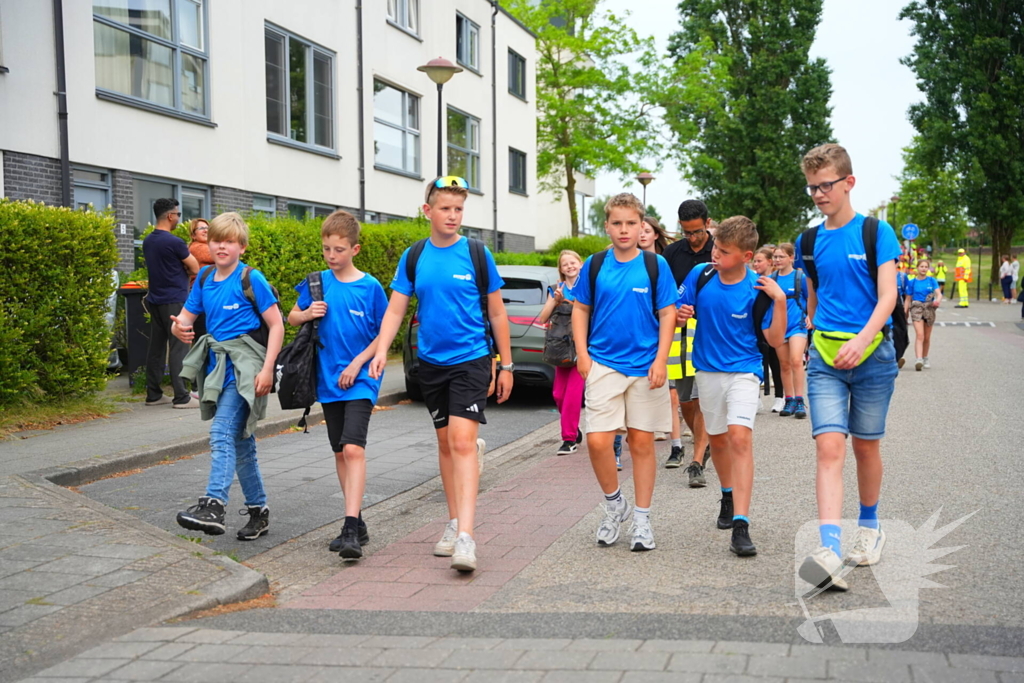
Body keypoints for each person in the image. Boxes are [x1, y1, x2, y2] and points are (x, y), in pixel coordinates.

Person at [369, 176, 513, 573]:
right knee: (447, 445)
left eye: (458, 209)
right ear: (427, 211)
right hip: (431, 363)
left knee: (462, 443)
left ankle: (466, 536)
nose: (453, 215)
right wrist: (381, 351)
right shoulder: (414, 256)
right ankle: (453, 521)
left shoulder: (477, 254)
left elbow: (497, 311)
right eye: (445, 208)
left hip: (472, 359)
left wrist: (506, 364)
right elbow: (396, 308)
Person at [795, 144, 900, 592]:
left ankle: (870, 527)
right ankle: (828, 549)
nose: (819, 194)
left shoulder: (876, 232)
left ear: (848, 182)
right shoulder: (808, 241)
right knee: (829, 447)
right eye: (812, 187)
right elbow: (816, 291)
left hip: (873, 355)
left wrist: (861, 339)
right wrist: (813, 330)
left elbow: (888, 295)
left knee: (866, 448)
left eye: (826, 185)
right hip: (825, 360)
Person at [572, 193, 677, 552]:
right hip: (602, 362)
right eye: (617, 223)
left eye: (631, 223)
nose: (624, 229)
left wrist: (661, 360)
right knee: (597, 441)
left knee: (642, 443)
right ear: (607, 226)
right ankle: (615, 503)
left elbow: (668, 313)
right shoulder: (595, 264)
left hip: (646, 366)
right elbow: (580, 309)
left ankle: (642, 520)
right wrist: (582, 355)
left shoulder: (655, 265)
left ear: (641, 225)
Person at [677, 216, 787, 557]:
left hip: (745, 370)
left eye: (724, 252)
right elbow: (675, 308)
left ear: (746, 256)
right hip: (707, 370)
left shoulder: (759, 288)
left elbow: (775, 340)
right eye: (716, 247)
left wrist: (780, 302)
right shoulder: (701, 276)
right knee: (719, 439)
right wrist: (679, 313)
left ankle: (741, 524)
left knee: (740, 437)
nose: (715, 255)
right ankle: (727, 494)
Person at [170, 212, 284, 540]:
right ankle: (258, 512)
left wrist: (267, 370)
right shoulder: (205, 277)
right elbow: (185, 319)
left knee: (221, 432)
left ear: (241, 247)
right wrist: (178, 329)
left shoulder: (251, 278)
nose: (222, 246)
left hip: (246, 368)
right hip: (216, 369)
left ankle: (214, 504)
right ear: (209, 243)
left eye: (229, 242)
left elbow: (277, 325)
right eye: (217, 240)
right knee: (241, 443)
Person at [287, 210, 388, 559]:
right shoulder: (317, 282)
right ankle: (357, 521)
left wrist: (358, 363)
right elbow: (292, 316)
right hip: (328, 378)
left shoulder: (370, 287)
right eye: (326, 249)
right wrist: (306, 314)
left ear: (355, 249)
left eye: (339, 250)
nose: (331, 256)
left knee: (353, 448)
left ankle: (349, 529)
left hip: (361, 378)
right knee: (339, 452)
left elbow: (384, 333)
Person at [662, 200, 714, 487]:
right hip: (679, 336)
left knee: (702, 396)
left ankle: (697, 460)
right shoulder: (671, 254)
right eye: (687, 232)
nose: (692, 238)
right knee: (686, 400)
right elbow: (663, 294)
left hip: (710, 334)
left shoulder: (719, 250)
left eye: (697, 232)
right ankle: (702, 442)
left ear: (708, 223)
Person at [142, 198, 199, 409]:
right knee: (179, 347)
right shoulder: (175, 242)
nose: (178, 219)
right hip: (175, 300)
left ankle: (154, 394)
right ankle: (182, 397)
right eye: (178, 215)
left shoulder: (148, 241)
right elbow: (195, 268)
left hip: (155, 300)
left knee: (156, 348)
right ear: (169, 216)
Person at [640, 217, 685, 463]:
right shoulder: (623, 261)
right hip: (639, 336)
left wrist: (678, 317)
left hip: (667, 333)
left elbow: (674, 302)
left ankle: (676, 447)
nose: (642, 235)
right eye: (640, 230)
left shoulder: (664, 263)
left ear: (656, 234)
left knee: (672, 392)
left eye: (647, 230)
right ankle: (630, 442)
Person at [538, 250, 585, 455]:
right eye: (565, 264)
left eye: (573, 262)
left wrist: (570, 302)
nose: (570, 266)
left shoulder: (588, 287)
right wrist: (555, 300)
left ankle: (568, 439)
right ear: (561, 269)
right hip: (561, 349)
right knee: (559, 395)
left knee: (573, 396)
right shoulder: (556, 289)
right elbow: (542, 318)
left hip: (581, 349)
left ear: (580, 264)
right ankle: (573, 428)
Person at [771, 243, 809, 419]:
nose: (777, 260)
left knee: (796, 360)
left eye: (781, 256)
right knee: (784, 364)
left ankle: (799, 399)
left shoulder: (801, 278)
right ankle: (789, 399)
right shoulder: (771, 279)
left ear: (791, 258)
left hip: (797, 325)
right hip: (779, 327)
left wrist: (811, 316)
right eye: (775, 257)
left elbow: (812, 298)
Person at [751, 247, 785, 414]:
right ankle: (755, 398)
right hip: (756, 325)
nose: (756, 264)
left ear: (769, 262)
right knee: (755, 361)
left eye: (759, 261)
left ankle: (780, 396)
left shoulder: (776, 280)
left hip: (772, 325)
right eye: (754, 261)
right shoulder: (752, 281)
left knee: (775, 360)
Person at [904, 258, 941, 371]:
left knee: (926, 337)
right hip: (916, 308)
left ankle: (925, 358)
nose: (924, 269)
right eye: (921, 266)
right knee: (920, 335)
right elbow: (908, 299)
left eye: (926, 267)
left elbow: (939, 294)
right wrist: (905, 313)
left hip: (929, 309)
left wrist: (937, 300)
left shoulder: (932, 280)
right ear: (917, 268)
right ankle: (918, 359)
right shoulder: (912, 282)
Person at [188, 218, 213, 339]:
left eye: (207, 228)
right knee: (203, 332)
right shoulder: (196, 247)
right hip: (201, 292)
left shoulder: (208, 245)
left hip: (208, 291)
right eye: (201, 228)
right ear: (193, 235)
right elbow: (217, 255)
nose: (206, 230)